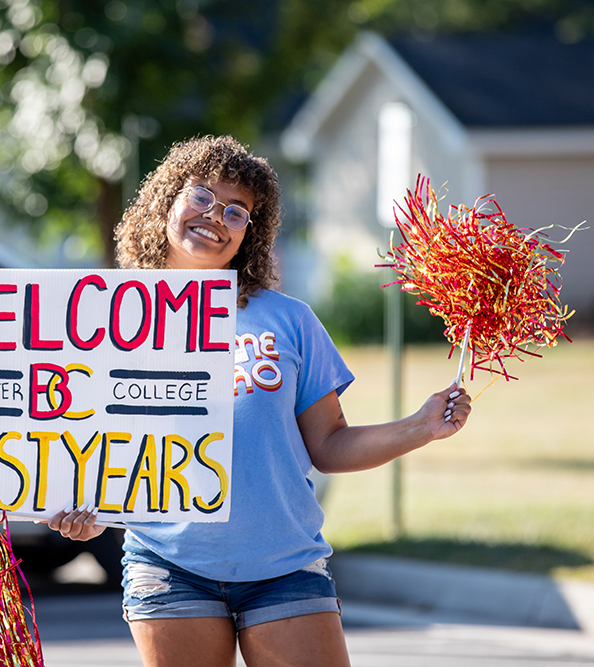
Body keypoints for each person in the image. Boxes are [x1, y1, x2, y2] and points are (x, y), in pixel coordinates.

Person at [48, 135, 472, 666]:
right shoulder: (106, 322)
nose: (215, 217)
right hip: (169, 567)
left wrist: (420, 426)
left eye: (236, 211)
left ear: (251, 233)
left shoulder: (289, 321)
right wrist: (86, 512)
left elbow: (330, 446)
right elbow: (85, 448)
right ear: (167, 201)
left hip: (286, 566)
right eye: (201, 197)